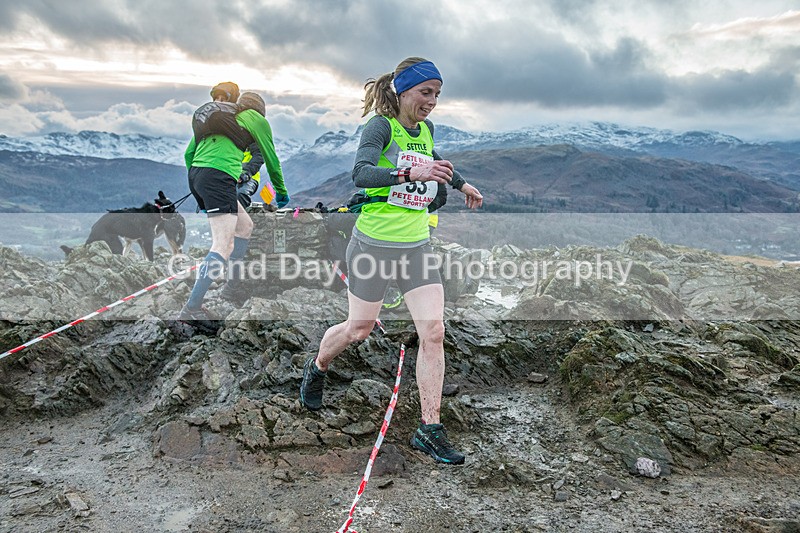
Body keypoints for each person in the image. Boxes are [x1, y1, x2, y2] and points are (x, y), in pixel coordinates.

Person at [300, 57, 483, 465]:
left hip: (416, 247)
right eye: (425, 92)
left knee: (433, 332)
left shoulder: (425, 130)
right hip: (372, 247)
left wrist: (462, 184)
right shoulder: (381, 127)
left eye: (437, 94)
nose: (432, 101)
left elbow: (434, 161)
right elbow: (361, 174)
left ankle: (429, 429)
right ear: (403, 91)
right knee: (358, 329)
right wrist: (407, 175)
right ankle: (318, 366)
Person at [179, 88, 290, 325]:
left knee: (245, 226)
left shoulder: (220, 117)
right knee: (223, 244)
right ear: (260, 110)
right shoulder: (257, 120)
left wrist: (200, 186)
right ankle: (191, 309)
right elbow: (271, 160)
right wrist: (281, 193)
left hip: (198, 175)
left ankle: (231, 286)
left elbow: (188, 154)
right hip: (219, 177)